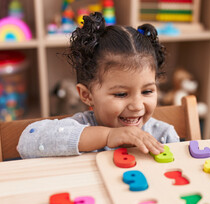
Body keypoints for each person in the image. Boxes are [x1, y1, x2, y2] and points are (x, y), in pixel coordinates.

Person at [17, 12, 179, 159]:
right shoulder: (81, 125)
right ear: (87, 95)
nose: (137, 106)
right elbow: (27, 141)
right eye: (121, 94)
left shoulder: (164, 135)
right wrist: (108, 136)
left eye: (147, 91)